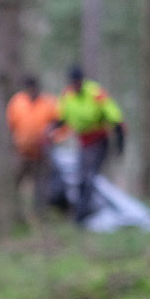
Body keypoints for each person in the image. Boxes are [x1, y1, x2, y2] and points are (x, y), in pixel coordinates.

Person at [52, 65, 125, 223]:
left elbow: (114, 115)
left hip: (99, 140)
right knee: (81, 176)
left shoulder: (95, 93)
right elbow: (61, 119)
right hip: (83, 141)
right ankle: (82, 210)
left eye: (78, 82)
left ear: (82, 81)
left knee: (89, 176)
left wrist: (120, 139)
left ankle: (83, 214)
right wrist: (52, 131)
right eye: (73, 83)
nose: (76, 86)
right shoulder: (67, 96)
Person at [6, 75, 60, 218]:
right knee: (14, 181)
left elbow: (60, 122)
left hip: (42, 151)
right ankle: (12, 212)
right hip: (21, 151)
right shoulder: (17, 102)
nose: (31, 91)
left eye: (33, 88)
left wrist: (51, 133)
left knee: (41, 184)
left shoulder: (49, 102)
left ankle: (40, 214)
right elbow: (10, 125)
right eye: (28, 88)